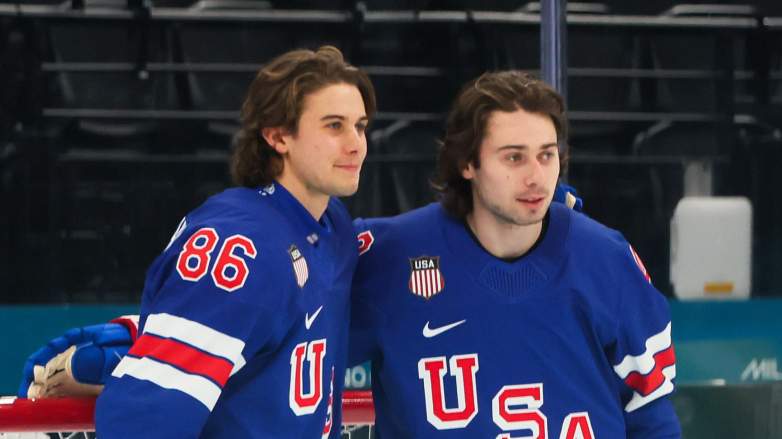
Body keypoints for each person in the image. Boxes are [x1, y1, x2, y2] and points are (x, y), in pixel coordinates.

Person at [28, 45, 375, 438]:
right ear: (278, 136)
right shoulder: (239, 240)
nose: (356, 144)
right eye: (334, 126)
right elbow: (146, 417)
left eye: (360, 126)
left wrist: (131, 345)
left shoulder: (333, 228)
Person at [348, 70, 680, 437]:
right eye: (514, 158)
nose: (536, 177)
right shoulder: (392, 257)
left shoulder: (606, 260)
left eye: (546, 156)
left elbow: (652, 415)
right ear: (467, 164)